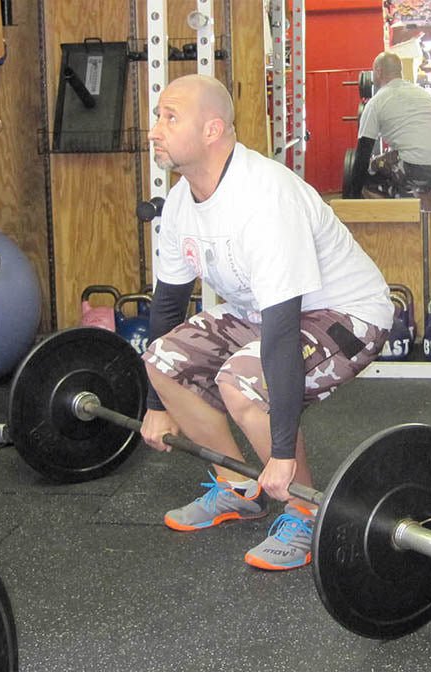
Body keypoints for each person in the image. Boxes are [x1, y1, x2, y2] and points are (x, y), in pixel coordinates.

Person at [140, 74, 394, 571]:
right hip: (263, 312)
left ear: (213, 130)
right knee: (160, 360)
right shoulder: (179, 203)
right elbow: (167, 307)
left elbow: (279, 334)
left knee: (242, 381)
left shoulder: (264, 199)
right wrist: (155, 405)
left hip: (347, 317)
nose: (154, 130)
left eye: (169, 117)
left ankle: (303, 508)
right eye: (156, 117)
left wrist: (281, 456)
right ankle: (237, 488)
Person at [347, 51, 431, 199]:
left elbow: (363, 153)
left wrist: (353, 196)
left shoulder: (376, 102)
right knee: (421, 182)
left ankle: (394, 220)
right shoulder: (423, 94)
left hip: (419, 167)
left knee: (371, 173)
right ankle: (429, 219)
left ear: (378, 71)